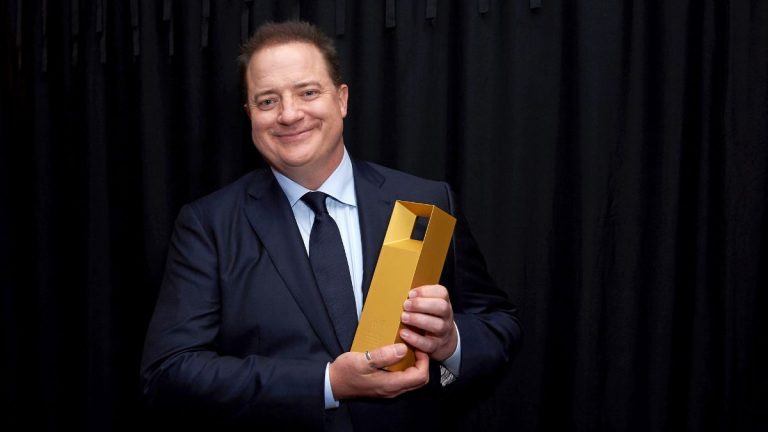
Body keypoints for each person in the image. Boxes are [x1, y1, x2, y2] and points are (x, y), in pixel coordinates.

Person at [141, 21, 521, 432]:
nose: (289, 114)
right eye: (267, 101)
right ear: (250, 115)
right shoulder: (208, 226)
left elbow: (498, 324)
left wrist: (451, 343)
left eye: (308, 92)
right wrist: (327, 383)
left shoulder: (425, 203)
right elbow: (169, 372)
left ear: (341, 100)